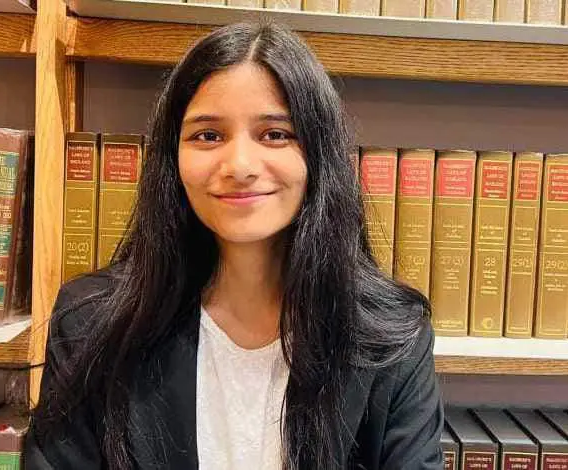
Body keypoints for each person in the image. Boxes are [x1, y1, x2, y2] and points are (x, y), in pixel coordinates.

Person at [26, 21, 443, 470]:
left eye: (275, 134)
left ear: (319, 154)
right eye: (208, 135)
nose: (240, 166)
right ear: (172, 157)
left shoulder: (394, 337)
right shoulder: (89, 323)